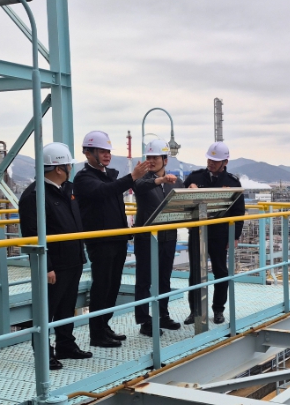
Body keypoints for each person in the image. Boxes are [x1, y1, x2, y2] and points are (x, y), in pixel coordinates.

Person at [19, 142, 92, 370]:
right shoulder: (34, 196)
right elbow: (32, 234)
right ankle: (43, 353)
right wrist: (46, 266)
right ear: (59, 168)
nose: (71, 168)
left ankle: (66, 345)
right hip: (54, 264)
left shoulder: (67, 189)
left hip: (73, 259)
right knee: (47, 309)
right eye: (68, 165)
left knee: (66, 306)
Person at [73, 131, 149, 347]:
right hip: (100, 241)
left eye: (108, 151)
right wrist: (132, 177)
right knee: (102, 286)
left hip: (117, 239)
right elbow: (104, 191)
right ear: (88, 153)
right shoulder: (84, 178)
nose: (107, 155)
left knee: (113, 285)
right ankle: (97, 334)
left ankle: (104, 325)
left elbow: (112, 196)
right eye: (102, 151)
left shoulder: (109, 176)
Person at [183, 141, 245, 325]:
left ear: (225, 162)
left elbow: (238, 212)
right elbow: (182, 201)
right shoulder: (195, 178)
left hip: (220, 234)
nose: (211, 163)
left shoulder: (232, 183)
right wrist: (189, 191)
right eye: (209, 159)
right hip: (197, 232)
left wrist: (234, 236)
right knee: (195, 272)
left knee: (220, 272)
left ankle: (218, 310)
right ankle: (195, 311)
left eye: (215, 161)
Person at [133, 139, 183, 336]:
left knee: (164, 278)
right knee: (144, 280)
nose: (152, 161)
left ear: (165, 160)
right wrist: (160, 181)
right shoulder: (142, 179)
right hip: (146, 237)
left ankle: (162, 315)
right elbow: (139, 186)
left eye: (156, 157)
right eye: (149, 157)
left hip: (168, 236)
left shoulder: (175, 182)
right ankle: (145, 321)